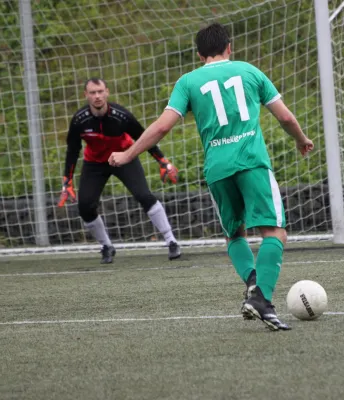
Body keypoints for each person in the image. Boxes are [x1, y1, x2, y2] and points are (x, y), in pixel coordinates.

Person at [109, 23, 313, 331]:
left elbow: (162, 127)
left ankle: (254, 283)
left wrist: (127, 155)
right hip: (251, 162)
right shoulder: (250, 71)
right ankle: (262, 299)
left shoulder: (188, 81)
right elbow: (284, 116)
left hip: (218, 169)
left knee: (235, 234)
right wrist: (300, 139)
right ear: (229, 47)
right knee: (274, 233)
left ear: (198, 54)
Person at [59, 78, 181, 264]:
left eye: (100, 91)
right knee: (85, 206)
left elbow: (143, 137)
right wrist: (67, 180)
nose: (97, 96)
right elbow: (72, 150)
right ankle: (107, 246)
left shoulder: (121, 116)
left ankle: (171, 241)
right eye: (93, 93)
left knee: (144, 195)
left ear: (107, 92)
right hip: (95, 163)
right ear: (86, 95)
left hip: (124, 158)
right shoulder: (79, 120)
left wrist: (162, 161)